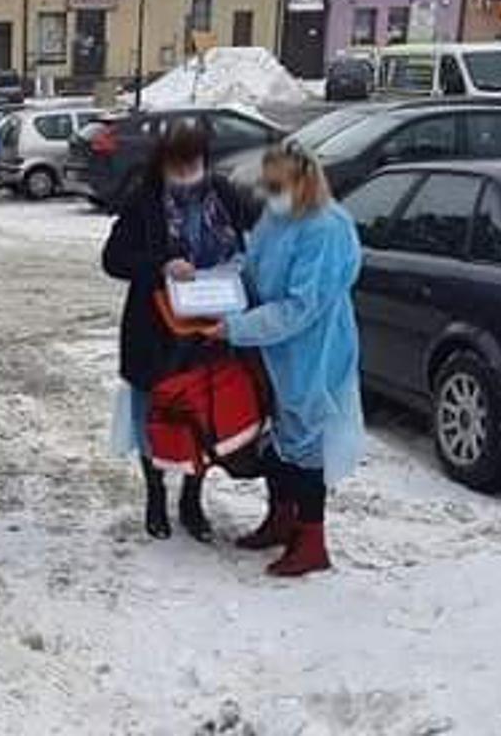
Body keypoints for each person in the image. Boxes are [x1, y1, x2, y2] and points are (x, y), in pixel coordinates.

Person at [208, 140, 365, 577]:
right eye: (267, 184)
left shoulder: (326, 229)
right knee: (279, 440)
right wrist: (217, 283)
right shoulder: (277, 219)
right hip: (274, 347)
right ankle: (281, 519)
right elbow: (254, 269)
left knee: (306, 444)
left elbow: (301, 307)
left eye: (278, 184)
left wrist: (236, 327)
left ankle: (312, 540)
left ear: (304, 181)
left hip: (313, 351)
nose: (270, 192)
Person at [102, 122, 257, 542]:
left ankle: (192, 495)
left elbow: (251, 242)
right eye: (181, 164)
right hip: (156, 330)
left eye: (196, 163)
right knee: (154, 414)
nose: (189, 172)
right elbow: (113, 258)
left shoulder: (224, 195)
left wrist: (241, 270)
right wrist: (160, 265)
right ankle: (155, 495)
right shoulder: (145, 200)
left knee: (202, 414)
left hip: (212, 326)